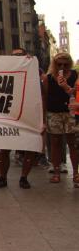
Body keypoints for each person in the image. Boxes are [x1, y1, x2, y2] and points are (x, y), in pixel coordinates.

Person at [0, 48, 42, 189]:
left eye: (20, 55)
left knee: (29, 148)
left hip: (28, 117)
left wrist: (42, 120)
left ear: (26, 56)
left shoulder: (35, 72)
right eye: (14, 55)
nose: (17, 57)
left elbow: (43, 97)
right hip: (8, 117)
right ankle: (2, 178)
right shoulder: (4, 72)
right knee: (4, 149)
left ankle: (24, 178)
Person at [43, 52, 78, 186]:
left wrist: (66, 87)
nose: (62, 66)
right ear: (54, 64)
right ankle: (56, 172)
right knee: (55, 143)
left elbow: (77, 92)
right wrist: (44, 117)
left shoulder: (75, 75)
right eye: (59, 64)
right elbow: (45, 97)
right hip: (54, 113)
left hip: (70, 113)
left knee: (73, 143)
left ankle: (76, 173)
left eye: (65, 64)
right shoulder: (49, 77)